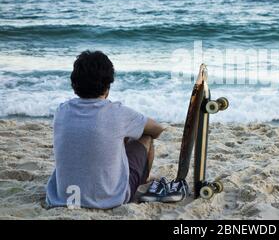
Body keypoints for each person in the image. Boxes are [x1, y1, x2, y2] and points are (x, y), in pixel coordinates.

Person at [45, 50, 188, 209]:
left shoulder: (61, 111)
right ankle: (142, 180)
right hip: (110, 198)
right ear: (108, 85)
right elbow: (157, 130)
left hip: (61, 198)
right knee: (145, 137)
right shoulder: (117, 112)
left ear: (74, 84)